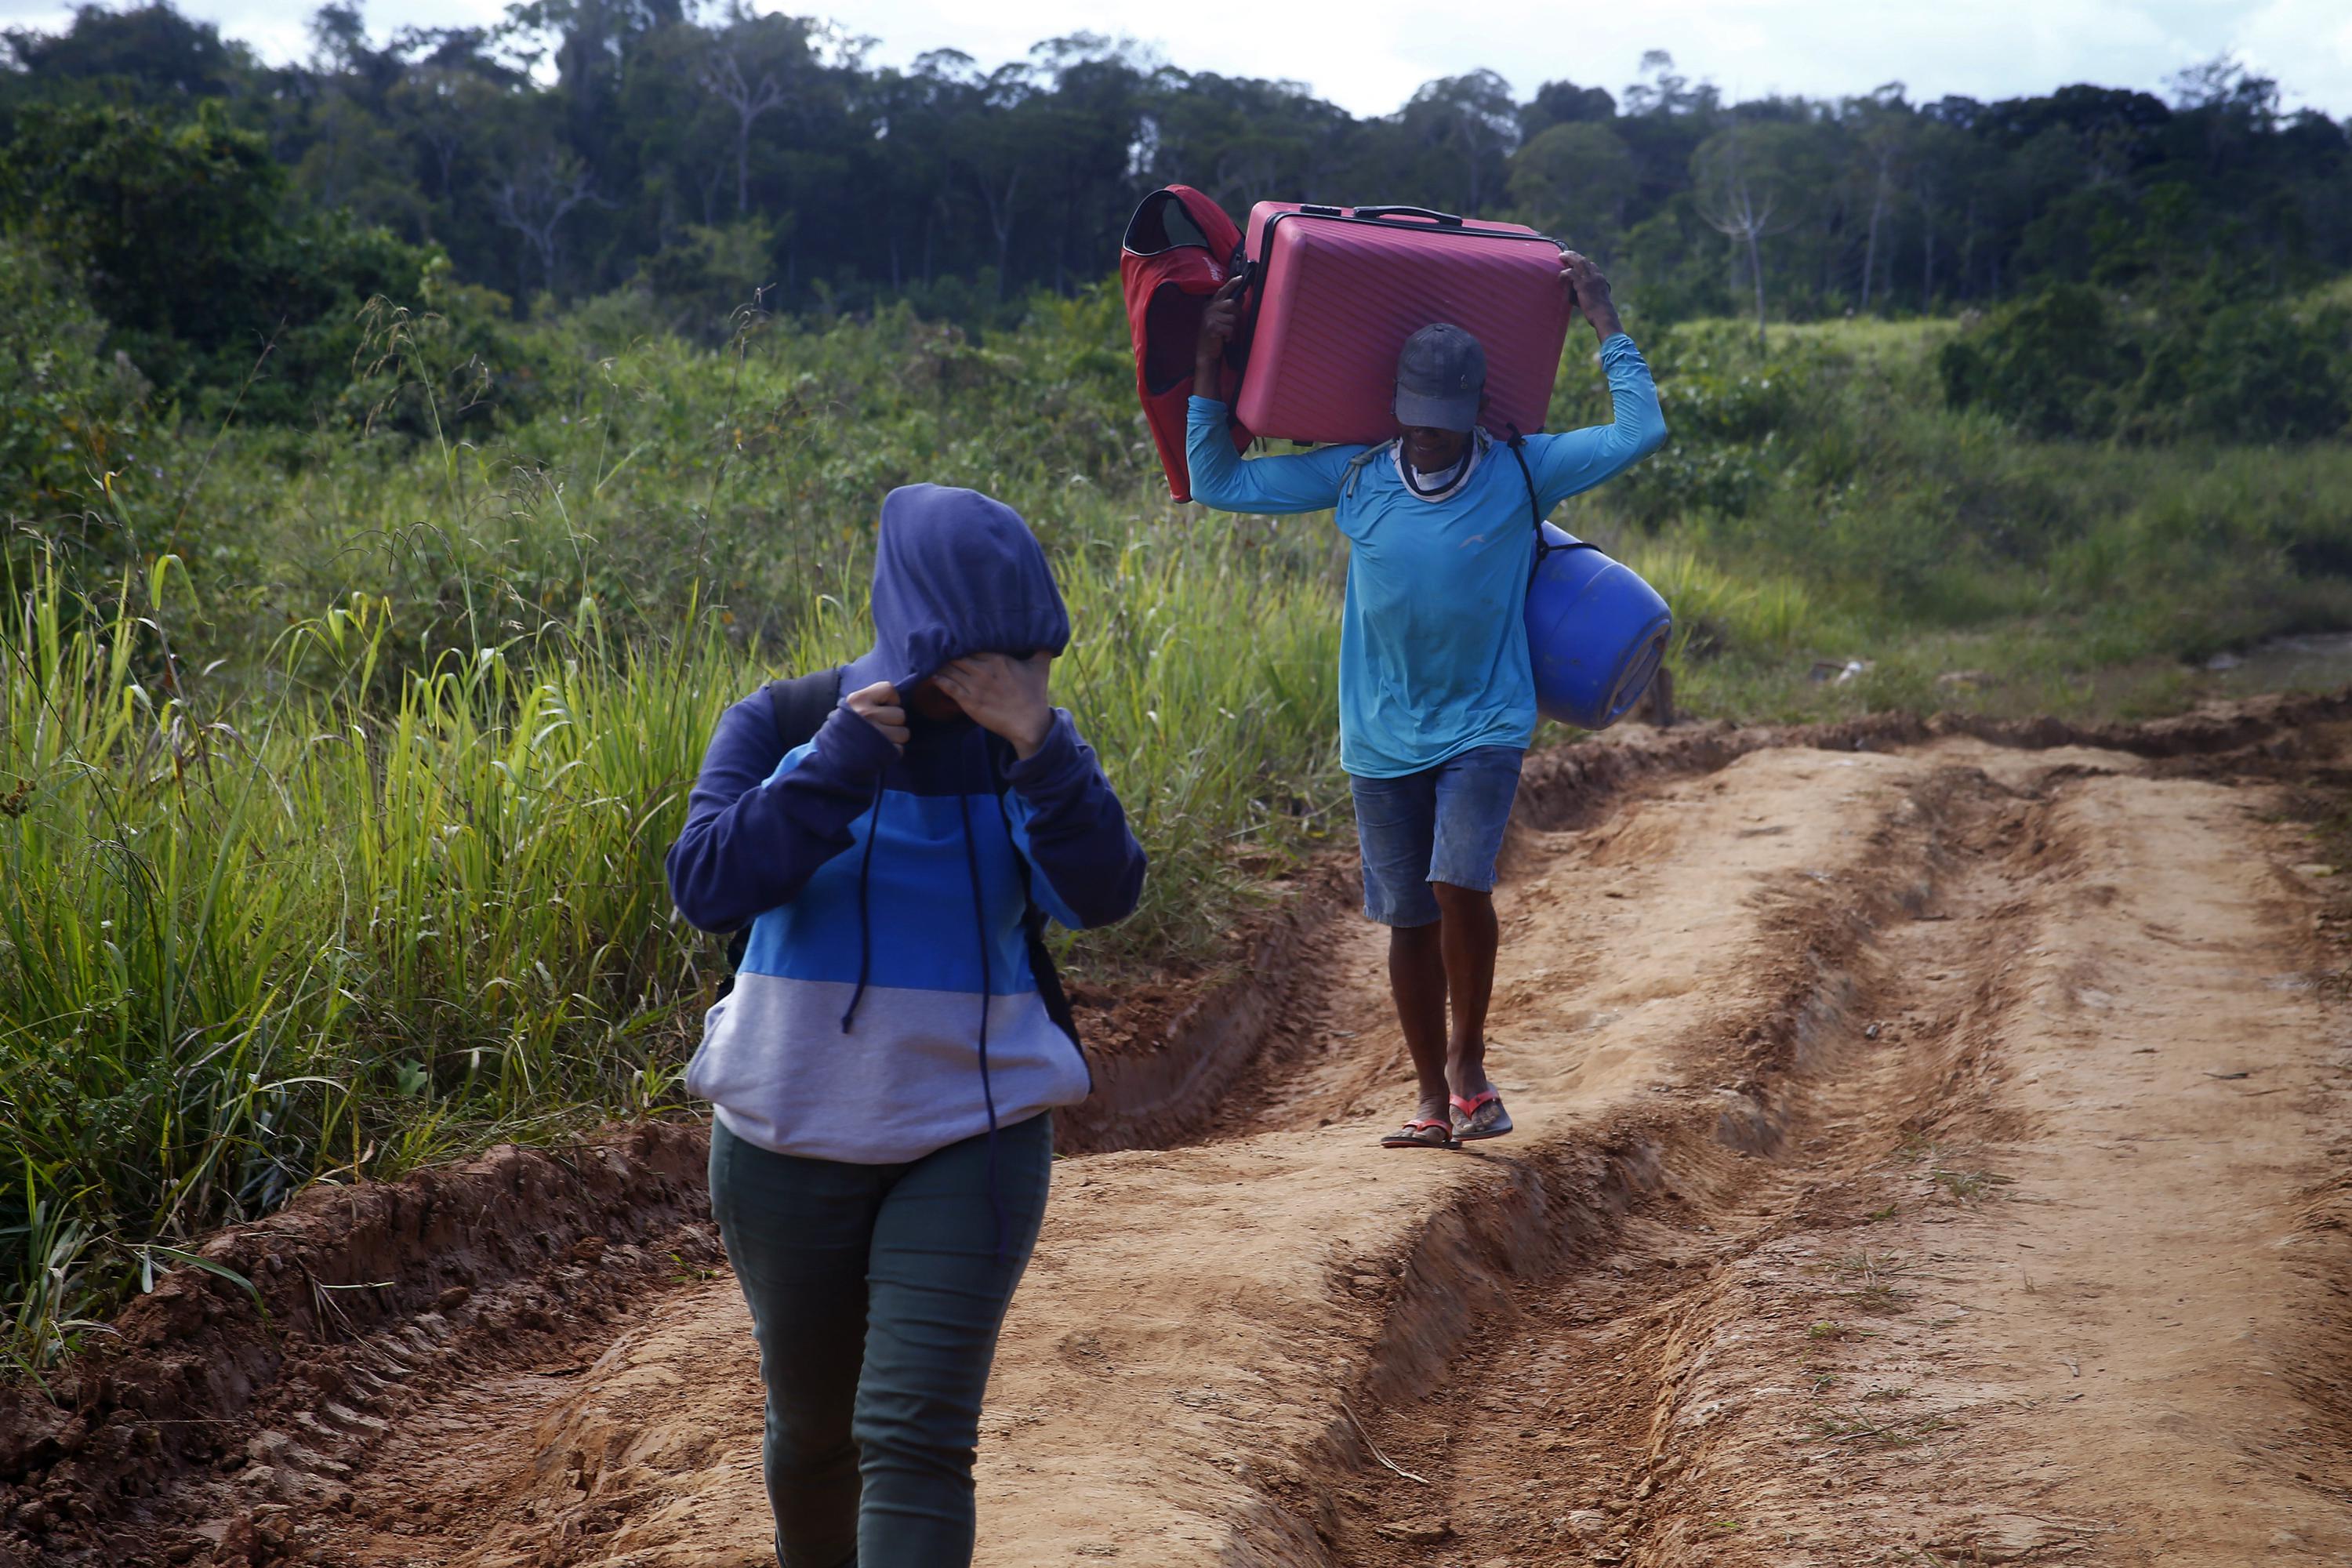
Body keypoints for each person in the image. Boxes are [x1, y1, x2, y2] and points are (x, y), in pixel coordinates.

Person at [664, 482, 1147, 1566]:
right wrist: (834, 768)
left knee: (916, 1437)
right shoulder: (788, 724)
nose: (989, 678)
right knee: (815, 1439)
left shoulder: (1028, 752)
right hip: (783, 1134)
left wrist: (1040, 743)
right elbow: (706, 887)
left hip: (971, 1137)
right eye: (973, 655)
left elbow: (1104, 894)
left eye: (1018, 658)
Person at [1185, 252, 1664, 1150]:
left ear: (1478, 411)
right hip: (1380, 734)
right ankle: (1428, 1097)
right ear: (1397, 408)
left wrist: (1605, 320)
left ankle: (1470, 1064)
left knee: (1458, 882)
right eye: (1417, 420)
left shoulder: (1526, 471)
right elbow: (1219, 482)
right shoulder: (1358, 475)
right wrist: (1211, 368)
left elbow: (1640, 431)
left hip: (1485, 723)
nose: (1430, 436)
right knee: (1406, 915)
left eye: (1447, 423)